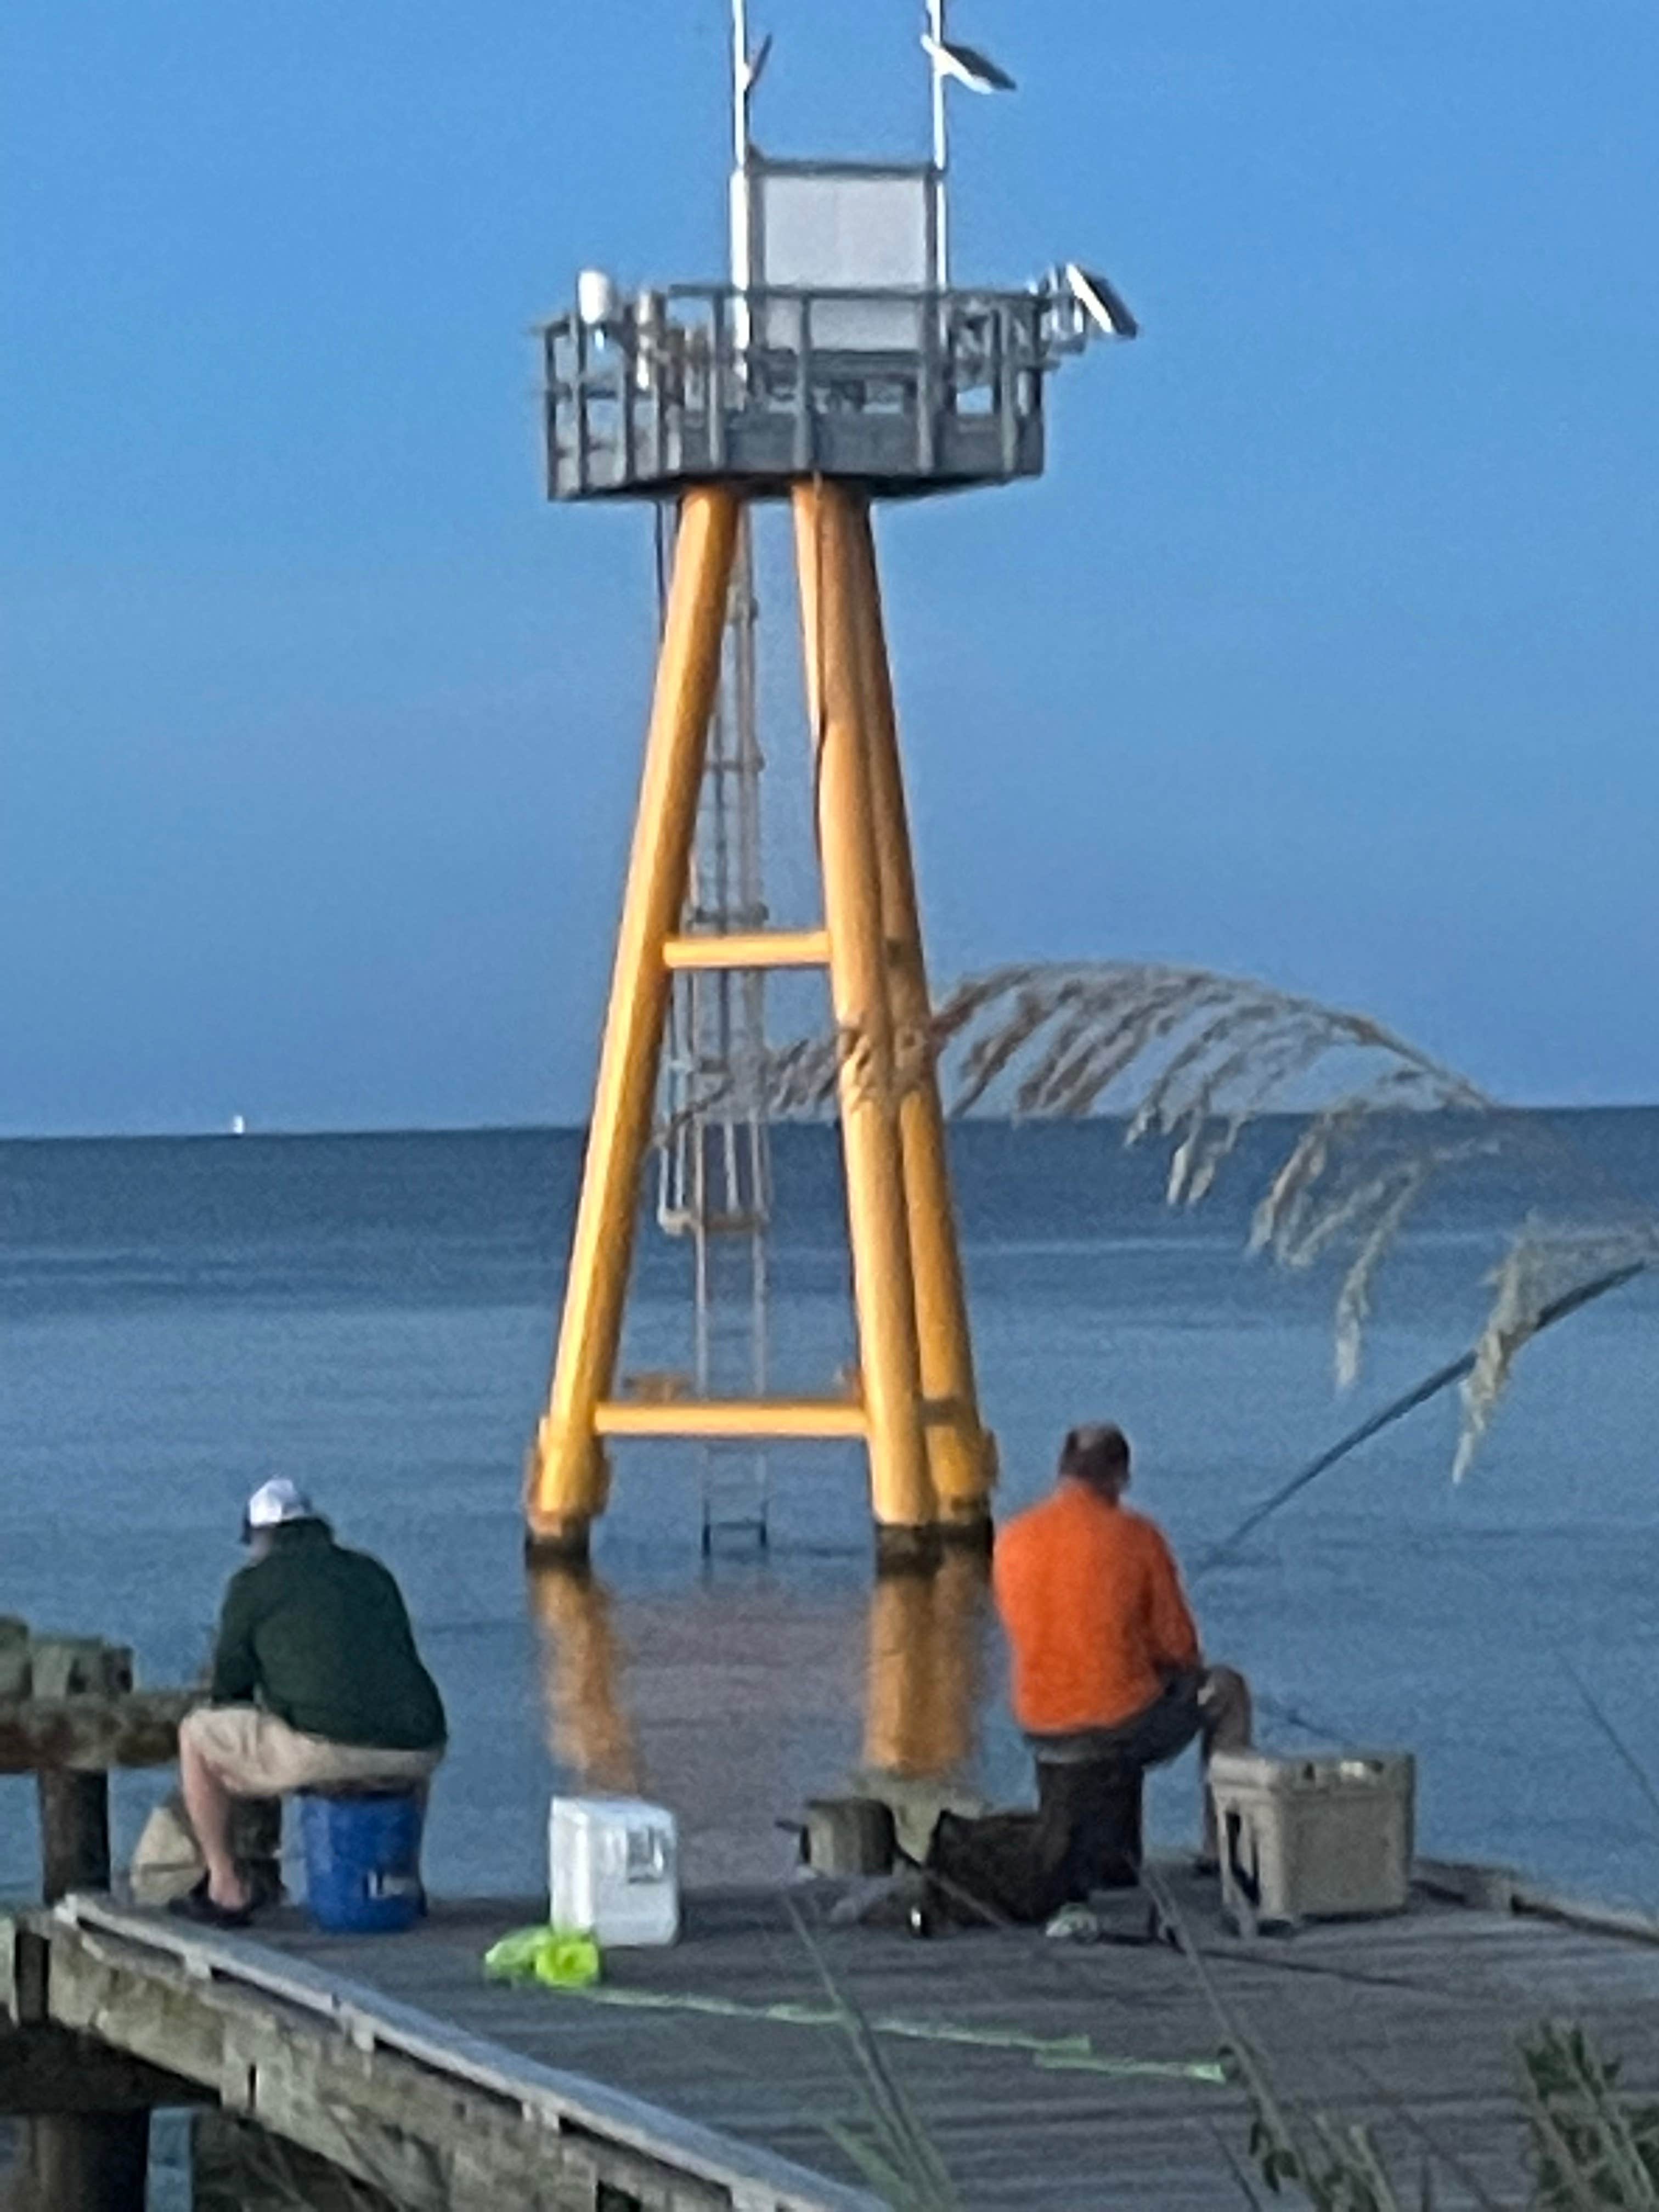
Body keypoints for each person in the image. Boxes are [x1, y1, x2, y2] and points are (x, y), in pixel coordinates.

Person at [934, 1423, 1251, 1926]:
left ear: (1062, 1472)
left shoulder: (1013, 1539)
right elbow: (1182, 1650)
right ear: (1121, 1477)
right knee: (1227, 1690)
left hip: (1040, 1723)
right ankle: (1221, 1850)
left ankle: (1108, 1857)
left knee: (1125, 1700)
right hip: (1120, 1724)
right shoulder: (1139, 1537)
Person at [173, 1479, 447, 1927]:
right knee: (394, 1736)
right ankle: (401, 1882)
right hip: (419, 1750)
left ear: (260, 1537)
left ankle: (226, 1886)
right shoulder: (371, 1572)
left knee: (197, 1735)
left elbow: (230, 1689)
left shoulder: (252, 1584)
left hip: (327, 1751)